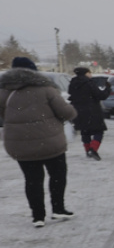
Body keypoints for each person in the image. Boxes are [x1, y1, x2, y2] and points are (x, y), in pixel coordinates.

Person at [0, 57, 78, 227]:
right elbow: (67, 113)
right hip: (50, 143)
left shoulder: (4, 91)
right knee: (57, 175)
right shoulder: (46, 89)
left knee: (32, 179)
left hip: (20, 145)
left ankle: (38, 216)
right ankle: (58, 208)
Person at [67, 66, 111, 160]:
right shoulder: (89, 83)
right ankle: (93, 149)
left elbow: (71, 95)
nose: (90, 74)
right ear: (85, 73)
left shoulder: (73, 83)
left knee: (85, 131)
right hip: (92, 111)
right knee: (99, 130)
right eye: (89, 73)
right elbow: (100, 95)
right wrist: (108, 89)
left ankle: (88, 151)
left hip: (79, 111)